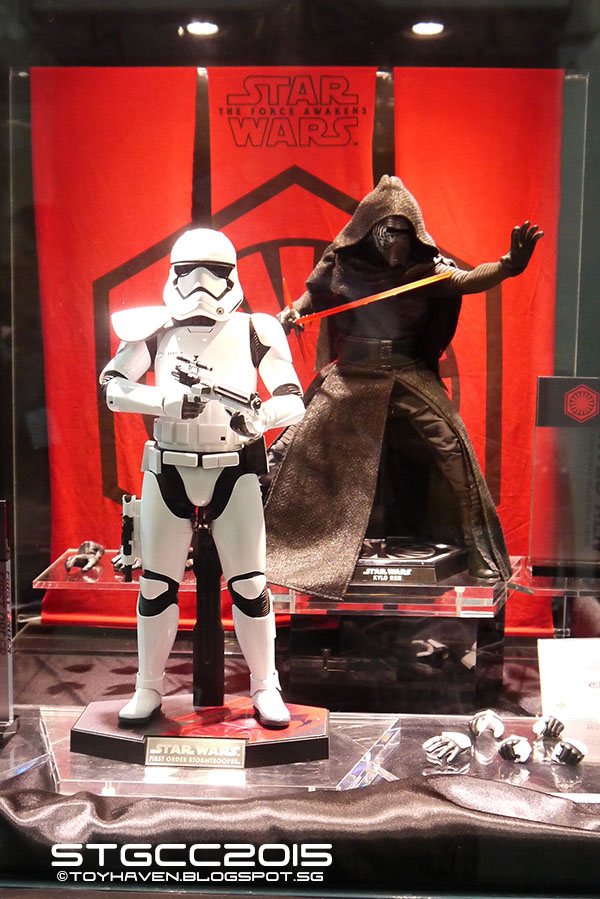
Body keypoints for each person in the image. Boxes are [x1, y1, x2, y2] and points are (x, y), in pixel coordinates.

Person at [265, 175, 542, 600]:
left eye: (404, 232)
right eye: (390, 231)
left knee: (452, 450)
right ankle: (269, 550)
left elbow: (467, 280)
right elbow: (311, 298)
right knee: (291, 449)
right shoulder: (342, 265)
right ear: (371, 230)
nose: (397, 241)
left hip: (406, 371)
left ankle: (478, 554)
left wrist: (506, 267)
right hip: (351, 375)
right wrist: (290, 315)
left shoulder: (426, 270)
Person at [100, 228, 305, 728]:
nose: (199, 283)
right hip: (168, 464)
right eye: (188, 271)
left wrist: (259, 418)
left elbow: (292, 398)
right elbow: (112, 386)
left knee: (250, 585)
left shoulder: (256, 329)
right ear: (172, 274)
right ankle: (148, 686)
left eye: (213, 272)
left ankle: (265, 686)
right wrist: (164, 401)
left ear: (231, 275)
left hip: (233, 464)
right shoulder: (155, 328)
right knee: (156, 584)